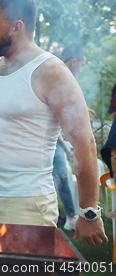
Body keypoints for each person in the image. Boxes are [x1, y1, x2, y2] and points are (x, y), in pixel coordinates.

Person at [0, 0, 107, 246]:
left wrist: (89, 212)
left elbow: (85, 143)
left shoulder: (52, 72)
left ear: (17, 27)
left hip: (27, 205)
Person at [54, 43, 90, 231]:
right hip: (48, 143)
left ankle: (63, 217)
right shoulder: (60, 79)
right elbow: (54, 121)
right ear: (74, 62)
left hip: (51, 141)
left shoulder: (54, 74)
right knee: (61, 177)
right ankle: (70, 218)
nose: (81, 69)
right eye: (82, 65)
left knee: (57, 178)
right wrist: (68, 149)